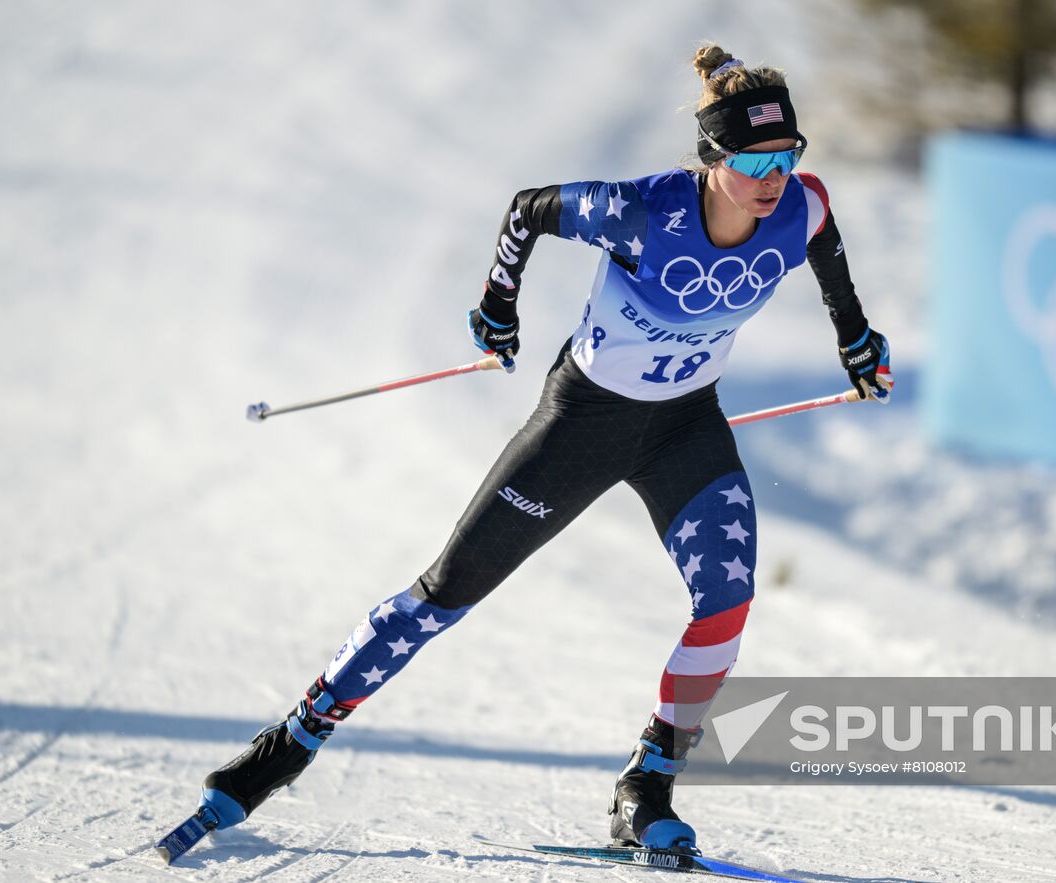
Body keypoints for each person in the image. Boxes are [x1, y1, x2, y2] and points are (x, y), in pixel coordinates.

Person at [195, 44, 891, 853]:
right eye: (752, 157)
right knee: (445, 593)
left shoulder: (799, 205)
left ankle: (646, 784)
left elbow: (826, 243)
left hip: (685, 426)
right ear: (712, 157)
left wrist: (855, 335)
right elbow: (528, 208)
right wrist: (497, 304)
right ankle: (290, 741)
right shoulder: (642, 210)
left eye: (785, 154)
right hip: (583, 422)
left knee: (726, 602)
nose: (772, 175)